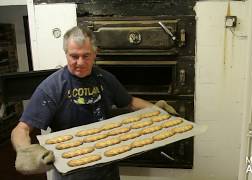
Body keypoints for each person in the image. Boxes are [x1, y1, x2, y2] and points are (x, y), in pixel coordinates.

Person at [11, 26, 177, 180]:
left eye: (86, 56)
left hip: (107, 168)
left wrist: (154, 109)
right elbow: (22, 128)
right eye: (74, 56)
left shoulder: (105, 79)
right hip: (70, 172)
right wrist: (24, 150)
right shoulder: (52, 87)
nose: (81, 62)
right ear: (66, 54)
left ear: (95, 54)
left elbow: (130, 102)